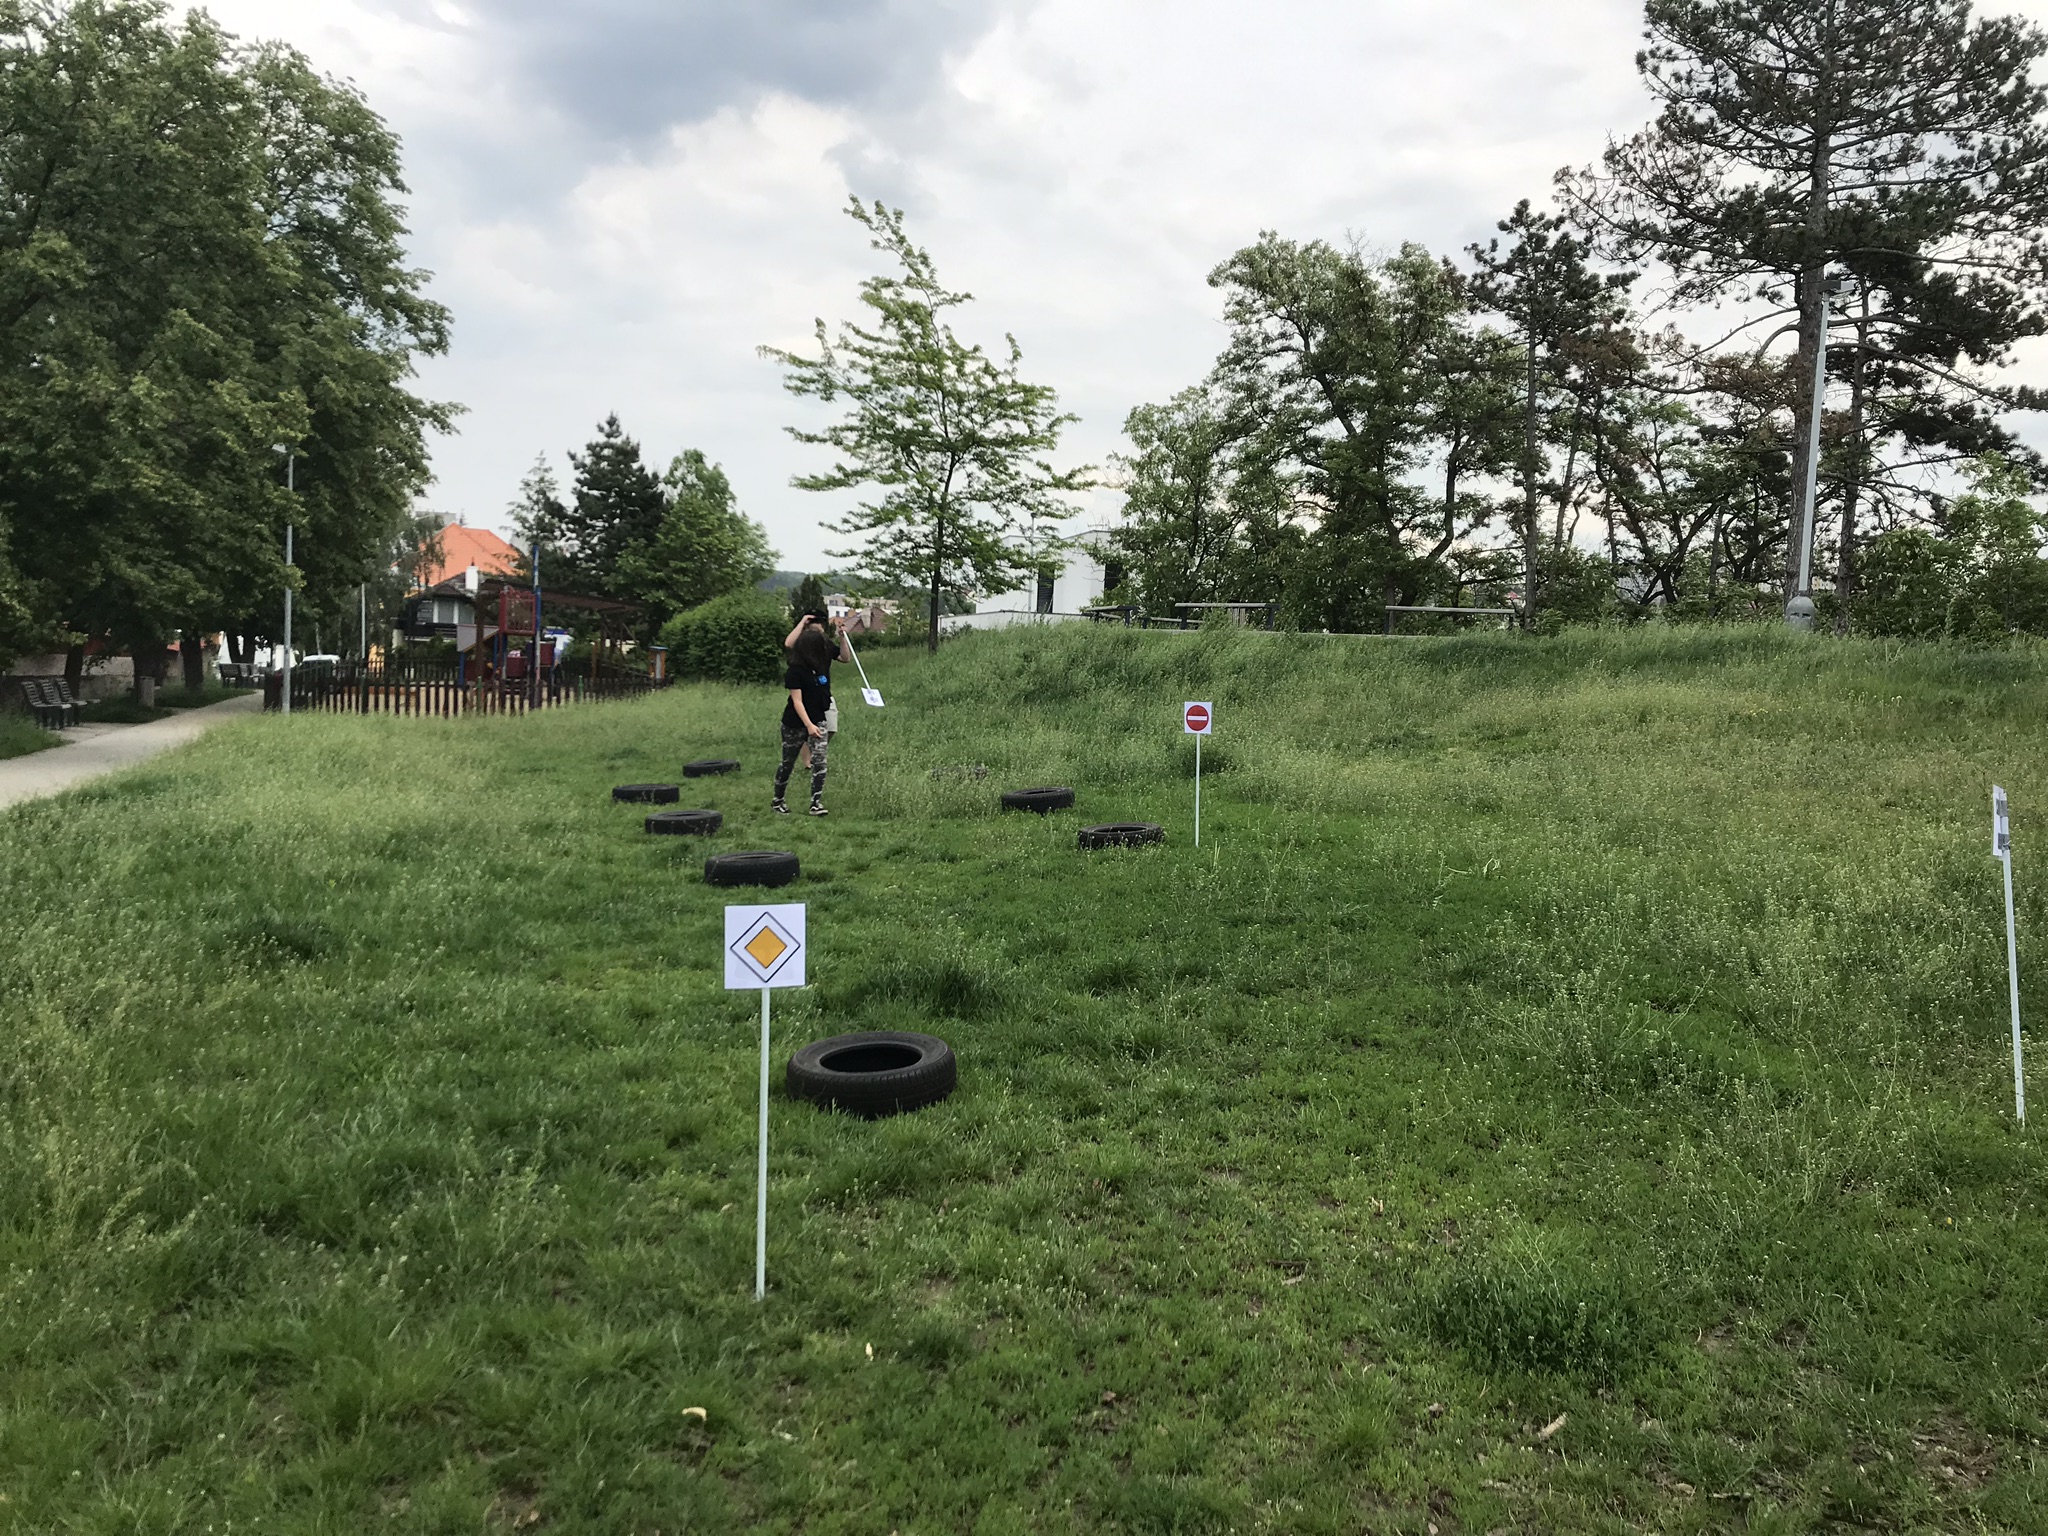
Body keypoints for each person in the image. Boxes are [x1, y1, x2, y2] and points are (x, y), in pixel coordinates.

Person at [774, 609, 849, 815]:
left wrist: (842, 636)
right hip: (794, 722)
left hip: (818, 717)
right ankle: (778, 800)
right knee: (787, 763)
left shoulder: (822, 660)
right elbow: (797, 702)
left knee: (820, 762)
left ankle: (816, 803)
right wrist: (808, 725)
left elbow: (844, 657)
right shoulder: (795, 670)